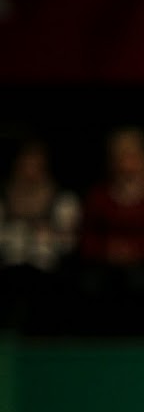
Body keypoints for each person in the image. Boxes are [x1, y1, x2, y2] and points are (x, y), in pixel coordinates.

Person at [76, 127, 144, 338]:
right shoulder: (99, 195)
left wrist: (136, 251)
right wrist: (108, 251)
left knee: (142, 283)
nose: (126, 163)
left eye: (132, 156)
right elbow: (86, 236)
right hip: (106, 266)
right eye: (120, 157)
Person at [0, 138, 81, 336]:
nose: (30, 171)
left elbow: (69, 240)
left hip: (47, 268)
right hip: (9, 265)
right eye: (25, 165)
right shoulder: (4, 197)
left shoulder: (62, 198)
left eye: (35, 165)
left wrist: (47, 237)